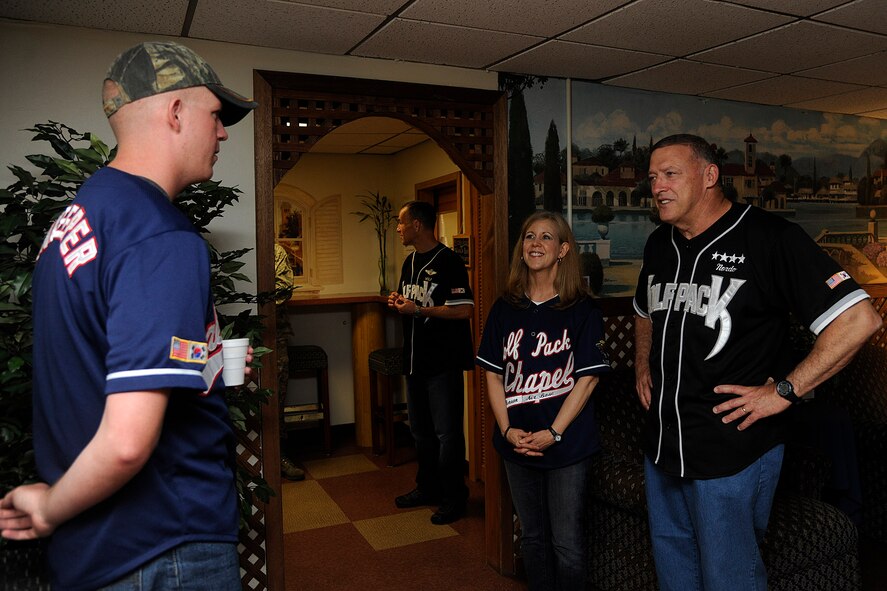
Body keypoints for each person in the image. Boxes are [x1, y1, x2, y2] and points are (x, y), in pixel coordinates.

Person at [0, 41, 257, 590]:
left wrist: (208, 362)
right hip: (163, 545)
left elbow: (98, 360)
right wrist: (48, 508)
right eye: (216, 115)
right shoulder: (159, 234)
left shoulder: (82, 216)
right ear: (175, 111)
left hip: (99, 549)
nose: (223, 133)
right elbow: (126, 443)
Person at [634, 133, 882, 590]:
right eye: (653, 177)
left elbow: (859, 320)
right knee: (674, 576)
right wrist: (641, 364)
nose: (658, 187)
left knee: (729, 579)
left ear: (710, 176)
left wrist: (785, 390)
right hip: (662, 446)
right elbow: (644, 309)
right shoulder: (658, 244)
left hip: (733, 449)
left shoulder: (771, 238)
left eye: (670, 174)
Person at [476, 210, 611, 590]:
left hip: (567, 445)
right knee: (532, 538)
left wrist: (554, 432)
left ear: (564, 250)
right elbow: (493, 374)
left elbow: (587, 380)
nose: (535, 243)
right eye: (529, 236)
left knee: (566, 543)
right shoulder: (505, 308)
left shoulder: (582, 309)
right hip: (517, 442)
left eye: (547, 237)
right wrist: (507, 430)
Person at [388, 200, 474, 525]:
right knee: (421, 432)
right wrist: (398, 302)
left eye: (401, 222)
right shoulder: (409, 262)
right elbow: (409, 301)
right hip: (415, 362)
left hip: (443, 364)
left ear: (417, 225)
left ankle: (454, 497)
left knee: (447, 434)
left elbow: (464, 309)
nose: (398, 228)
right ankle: (427, 488)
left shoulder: (449, 261)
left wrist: (420, 310)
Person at [275, 242, 306, 481]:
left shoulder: (275, 251)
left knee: (277, 398)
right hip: (238, 334)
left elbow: (283, 290)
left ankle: (279, 455)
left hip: (274, 335)